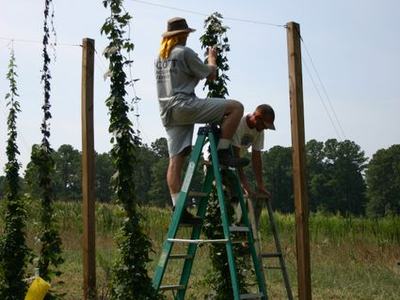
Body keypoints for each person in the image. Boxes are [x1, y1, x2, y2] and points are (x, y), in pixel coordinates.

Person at [155, 17, 248, 223]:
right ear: (181, 35)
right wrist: (211, 57)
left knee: (176, 160)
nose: (188, 37)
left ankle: (179, 211)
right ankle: (223, 151)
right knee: (236, 108)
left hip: (168, 112)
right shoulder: (184, 53)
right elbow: (210, 75)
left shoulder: (160, 57)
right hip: (185, 105)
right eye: (186, 34)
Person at [232, 104, 276, 227]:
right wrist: (244, 184)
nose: (265, 129)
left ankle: (248, 233)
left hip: (234, 161)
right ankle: (240, 227)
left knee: (255, 196)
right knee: (233, 193)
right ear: (256, 117)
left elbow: (256, 159)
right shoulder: (239, 123)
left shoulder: (259, 131)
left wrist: (260, 185)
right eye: (264, 125)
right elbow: (236, 158)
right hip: (218, 159)